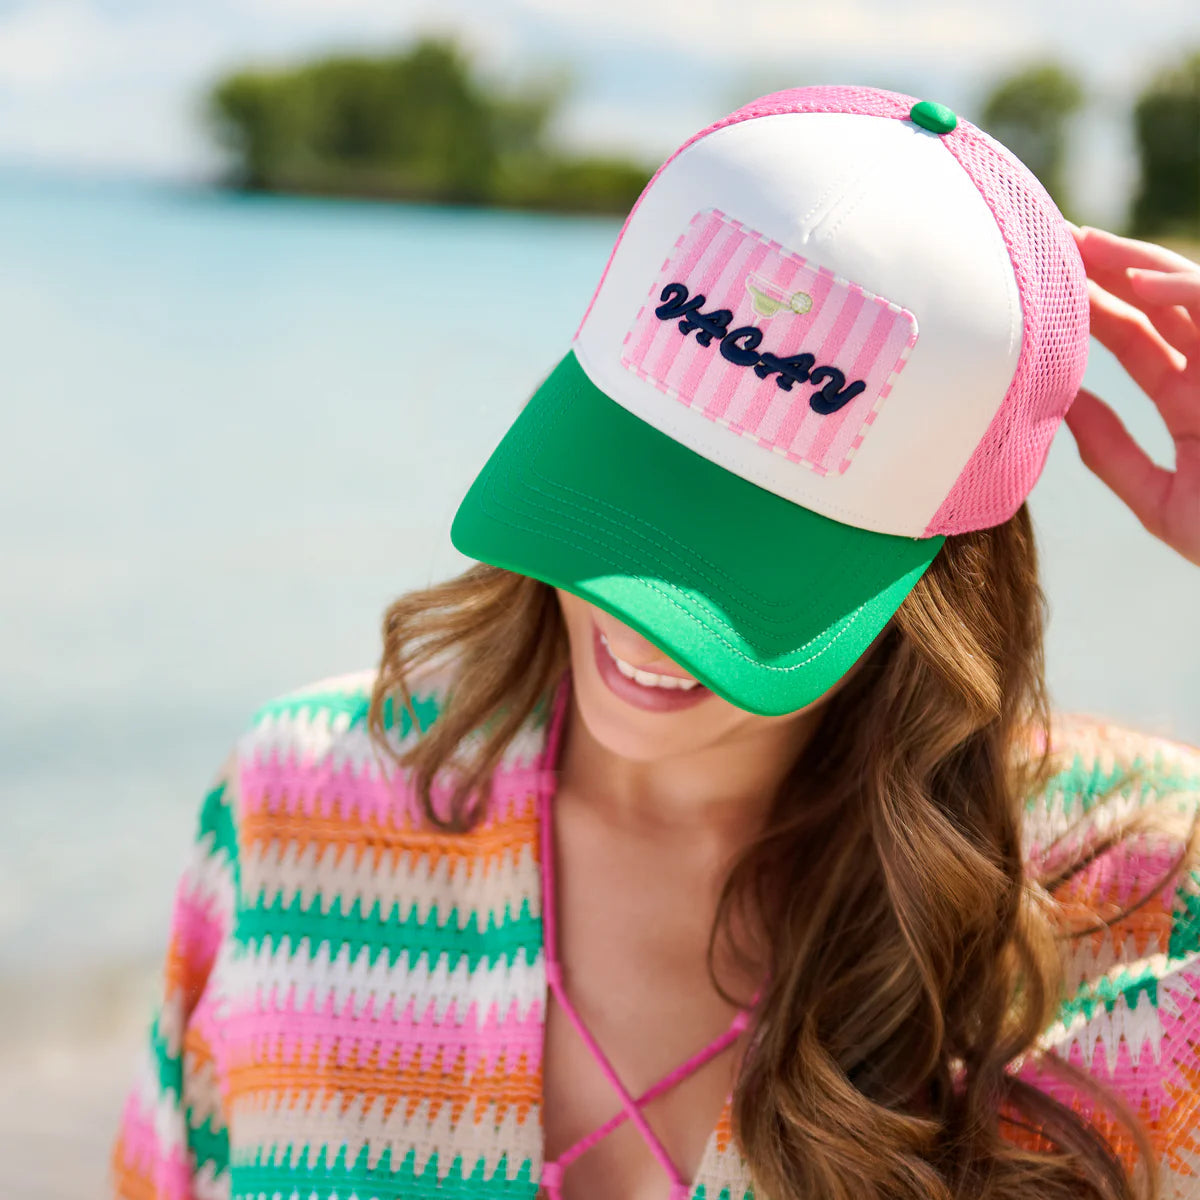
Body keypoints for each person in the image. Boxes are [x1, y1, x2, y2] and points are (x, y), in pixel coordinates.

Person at [110, 87, 1200, 1200]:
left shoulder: (1134, 890)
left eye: (746, 551)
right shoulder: (301, 803)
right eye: (626, 491)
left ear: (939, 570)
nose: (639, 612)